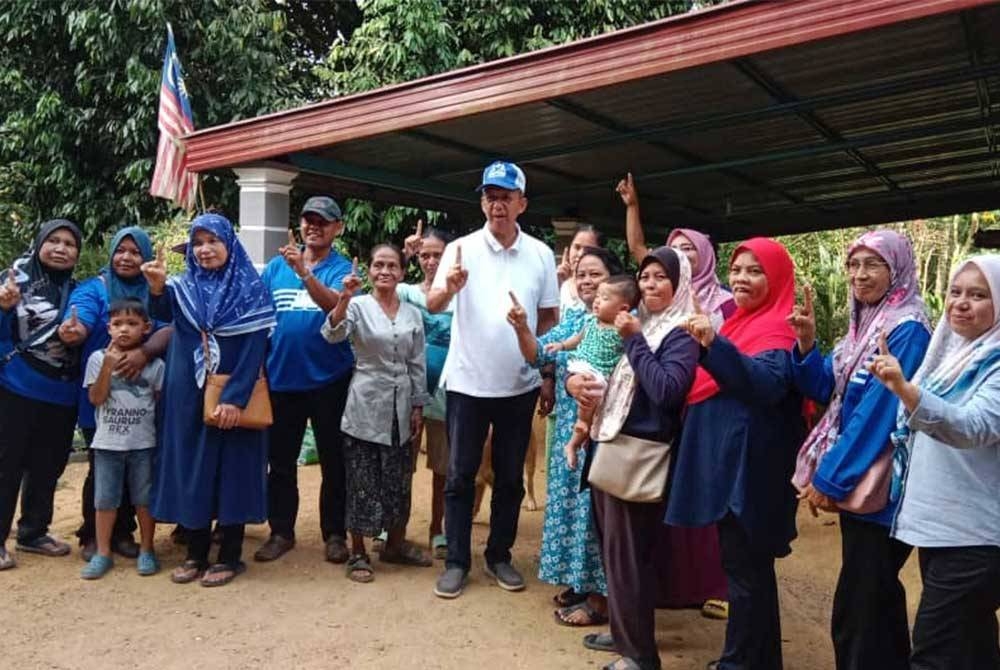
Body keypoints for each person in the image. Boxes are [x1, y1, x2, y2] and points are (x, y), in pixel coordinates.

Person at [788, 230, 931, 670]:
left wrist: (829, 478)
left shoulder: (906, 329)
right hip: (867, 485)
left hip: (885, 488)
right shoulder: (864, 326)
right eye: (854, 264)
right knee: (877, 597)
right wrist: (808, 343)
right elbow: (828, 391)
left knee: (859, 606)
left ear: (898, 269)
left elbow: (879, 414)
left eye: (873, 264)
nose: (859, 274)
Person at [666, 238, 806, 670]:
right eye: (738, 269)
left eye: (755, 271)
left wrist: (713, 345)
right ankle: (757, 660)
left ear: (777, 277)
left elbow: (764, 385)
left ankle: (739, 663)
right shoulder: (742, 323)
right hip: (733, 468)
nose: (742, 278)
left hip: (751, 475)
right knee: (748, 573)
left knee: (746, 573)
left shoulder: (777, 329)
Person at [427, 160, 559, 599]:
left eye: (505, 196)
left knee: (508, 478)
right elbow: (432, 302)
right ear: (482, 201)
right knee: (460, 475)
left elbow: (549, 318)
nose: (496, 204)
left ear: (522, 203)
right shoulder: (460, 249)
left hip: (519, 385)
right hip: (467, 383)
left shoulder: (540, 254)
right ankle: (457, 562)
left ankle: (499, 555)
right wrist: (451, 286)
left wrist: (546, 373)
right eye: (490, 196)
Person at [565, 246, 700, 670]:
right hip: (615, 446)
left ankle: (640, 657)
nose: (651, 284)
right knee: (616, 555)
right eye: (645, 277)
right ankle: (625, 635)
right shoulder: (652, 325)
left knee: (629, 560)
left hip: (640, 455)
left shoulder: (680, 332)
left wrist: (635, 340)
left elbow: (666, 391)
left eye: (661, 277)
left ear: (678, 284)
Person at [868, 255, 1000, 670]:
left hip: (975, 535)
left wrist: (906, 391)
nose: (961, 303)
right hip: (941, 528)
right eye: (956, 292)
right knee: (972, 646)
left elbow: (974, 426)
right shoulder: (948, 353)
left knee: (933, 652)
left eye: (979, 295)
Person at [618, 172, 731, 618]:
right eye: (675, 251)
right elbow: (638, 253)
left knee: (693, 514)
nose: (681, 259)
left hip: (694, 413)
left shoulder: (719, 302)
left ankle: (706, 587)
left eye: (689, 253)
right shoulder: (652, 306)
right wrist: (631, 207)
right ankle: (659, 595)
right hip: (658, 419)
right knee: (655, 521)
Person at [144, 213, 276, 587]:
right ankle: (195, 553)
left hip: (236, 395)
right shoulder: (183, 286)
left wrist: (234, 398)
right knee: (195, 470)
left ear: (229, 244)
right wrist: (156, 288)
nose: (204, 250)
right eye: (198, 242)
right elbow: (161, 317)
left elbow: (255, 349)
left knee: (232, 470)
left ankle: (230, 556)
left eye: (212, 241)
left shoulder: (251, 289)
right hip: (188, 393)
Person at [254, 196, 354, 564]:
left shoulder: (343, 269)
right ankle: (281, 531)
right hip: (281, 380)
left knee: (334, 461)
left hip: (330, 380)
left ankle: (335, 534)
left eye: (323, 221)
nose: (314, 226)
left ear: (337, 227)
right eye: (309, 220)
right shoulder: (275, 269)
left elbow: (334, 306)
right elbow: (261, 319)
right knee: (280, 462)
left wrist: (304, 273)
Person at [322, 244, 430, 582]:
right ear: (369, 270)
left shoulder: (412, 313)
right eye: (378, 265)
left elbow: (417, 362)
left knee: (399, 480)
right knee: (362, 479)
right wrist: (342, 298)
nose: (385, 271)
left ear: (401, 272)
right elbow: (332, 335)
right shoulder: (358, 305)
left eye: (392, 266)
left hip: (400, 407)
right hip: (366, 403)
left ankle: (395, 545)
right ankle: (358, 552)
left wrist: (417, 405)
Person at [64, 226, 171, 562]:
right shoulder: (95, 288)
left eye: (135, 251)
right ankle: (92, 536)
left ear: (146, 256)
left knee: (138, 470)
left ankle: (125, 534)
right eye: (120, 250)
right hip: (102, 394)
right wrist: (74, 329)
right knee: (102, 468)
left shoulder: (156, 289)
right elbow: (79, 316)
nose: (126, 257)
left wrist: (145, 353)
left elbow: (169, 324)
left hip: (142, 402)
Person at [0, 220, 84, 570]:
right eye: (54, 240)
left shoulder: (79, 291)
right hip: (17, 386)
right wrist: (4, 308)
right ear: (39, 243)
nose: (61, 248)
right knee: (6, 465)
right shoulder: (11, 281)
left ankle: (34, 531)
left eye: (69, 243)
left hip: (62, 394)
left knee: (48, 464)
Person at [80, 298, 164, 579]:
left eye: (132, 323)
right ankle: (103, 552)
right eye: (117, 324)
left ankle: (147, 550)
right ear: (108, 328)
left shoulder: (155, 366)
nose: (124, 330)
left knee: (144, 499)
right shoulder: (96, 359)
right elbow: (96, 398)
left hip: (143, 444)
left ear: (146, 328)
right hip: (107, 445)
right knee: (105, 500)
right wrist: (107, 365)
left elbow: (159, 403)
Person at [518, 275, 639, 462]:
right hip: (581, 366)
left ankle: (580, 437)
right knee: (587, 408)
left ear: (623, 308)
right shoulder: (590, 321)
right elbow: (578, 339)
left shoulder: (623, 327)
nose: (598, 301)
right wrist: (562, 345)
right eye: (598, 296)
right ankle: (578, 437)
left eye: (605, 298)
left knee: (593, 399)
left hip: (602, 376)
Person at [619, 173, 735, 328]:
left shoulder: (727, 302)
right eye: (673, 249)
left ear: (706, 255)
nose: (679, 254)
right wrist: (632, 206)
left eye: (687, 248)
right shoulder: (663, 288)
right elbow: (637, 247)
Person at [400, 221, 453, 559]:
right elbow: (379, 293)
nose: (431, 261)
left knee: (442, 466)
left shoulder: (459, 296)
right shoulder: (406, 292)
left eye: (438, 255)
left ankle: (438, 528)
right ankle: (392, 526)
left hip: (447, 392)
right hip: (408, 389)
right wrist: (403, 256)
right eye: (425, 255)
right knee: (402, 461)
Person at [556, 224, 605, 315]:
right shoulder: (561, 284)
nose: (580, 254)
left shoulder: (605, 286)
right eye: (577, 247)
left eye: (588, 249)